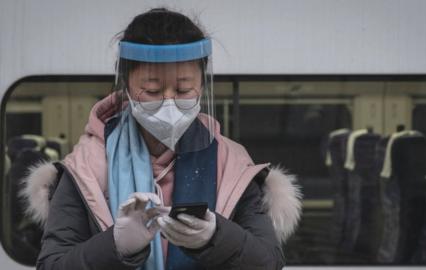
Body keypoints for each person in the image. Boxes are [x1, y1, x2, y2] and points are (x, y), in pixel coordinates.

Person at [21, 8, 302, 270]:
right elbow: (52, 264)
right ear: (127, 88)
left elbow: (269, 261)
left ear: (202, 86)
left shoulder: (231, 162)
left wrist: (216, 237)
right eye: (152, 90)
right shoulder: (86, 167)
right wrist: (117, 246)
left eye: (183, 89)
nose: (169, 102)